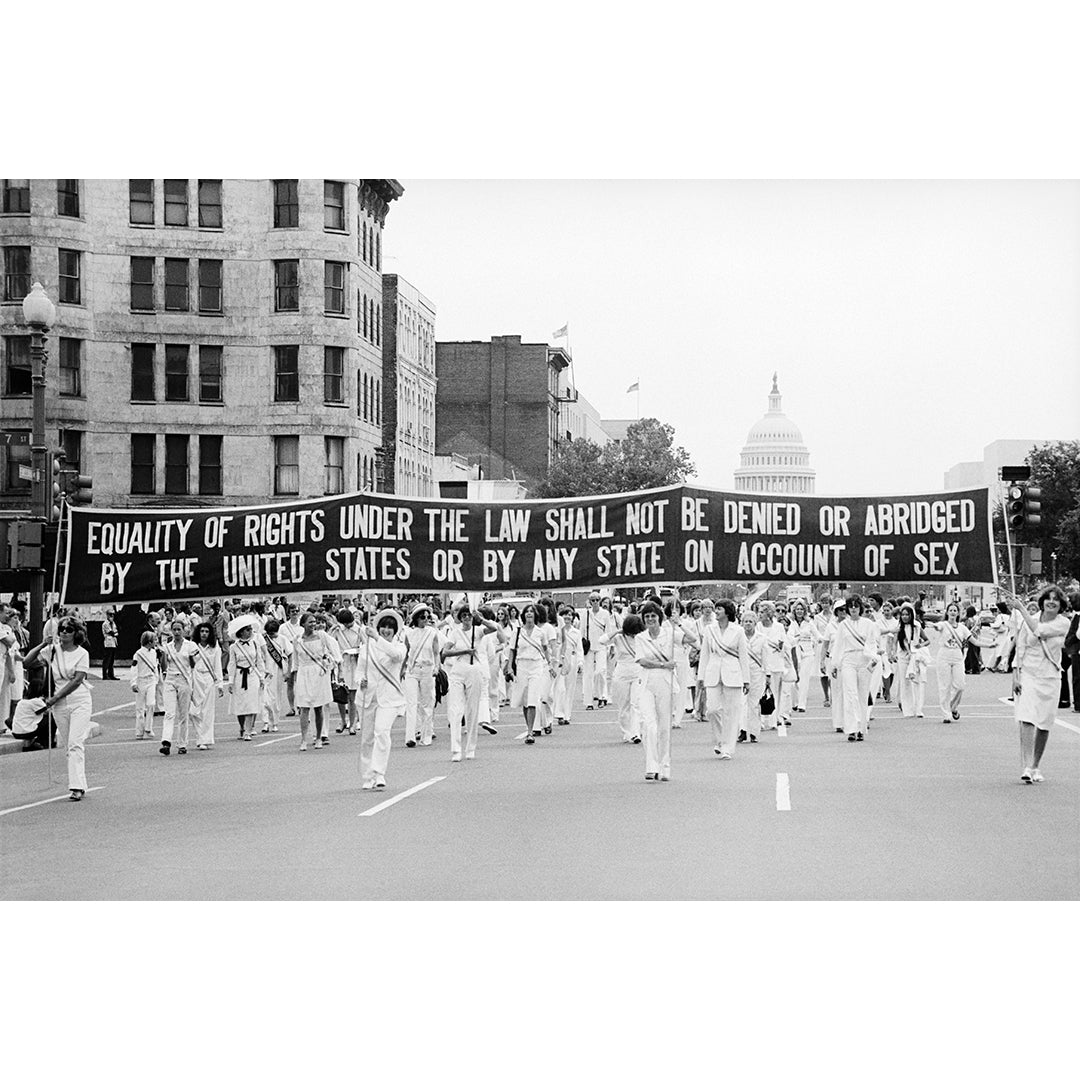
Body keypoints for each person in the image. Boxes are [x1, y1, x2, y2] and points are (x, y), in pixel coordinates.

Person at [22, 617, 98, 801]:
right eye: (62, 629)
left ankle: (77, 787)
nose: (64, 632)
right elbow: (27, 662)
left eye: (69, 629)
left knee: (75, 742)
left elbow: (78, 679)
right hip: (59, 704)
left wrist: (55, 697)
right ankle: (79, 781)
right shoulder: (52, 651)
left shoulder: (82, 653)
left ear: (76, 633)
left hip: (79, 699)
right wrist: (42, 644)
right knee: (68, 744)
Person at [1009, 585, 1071, 783]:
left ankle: (1036, 764)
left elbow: (1039, 631)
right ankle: (1027, 765)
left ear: (1061, 605)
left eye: (1056, 599)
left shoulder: (1063, 623)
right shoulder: (1029, 620)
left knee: (1044, 723)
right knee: (1026, 716)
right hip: (1029, 673)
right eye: (1048, 598)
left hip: (1051, 676)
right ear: (1042, 601)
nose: (1051, 602)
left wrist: (1021, 609)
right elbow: (1020, 648)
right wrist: (1016, 675)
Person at [634, 600, 685, 782]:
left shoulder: (670, 634)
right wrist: (664, 664)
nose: (650, 619)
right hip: (647, 682)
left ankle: (665, 767)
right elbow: (642, 661)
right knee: (649, 725)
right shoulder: (640, 638)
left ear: (660, 618)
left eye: (653, 616)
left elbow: (694, 640)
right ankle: (651, 766)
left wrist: (679, 622)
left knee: (664, 727)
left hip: (666, 683)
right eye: (647, 616)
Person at [441, 605, 500, 762]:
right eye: (464, 615)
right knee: (455, 709)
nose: (467, 618)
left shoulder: (479, 630)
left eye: (469, 615)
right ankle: (455, 749)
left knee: (472, 710)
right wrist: (465, 652)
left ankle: (470, 748)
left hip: (474, 670)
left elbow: (494, 628)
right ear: (460, 618)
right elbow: (445, 652)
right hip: (458, 670)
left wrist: (481, 619)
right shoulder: (455, 633)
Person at [358, 610, 407, 789]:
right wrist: (360, 681)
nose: (386, 630)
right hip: (368, 697)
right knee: (367, 738)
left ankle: (379, 773)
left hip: (390, 698)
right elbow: (360, 670)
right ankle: (366, 776)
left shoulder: (400, 646)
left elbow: (396, 656)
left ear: (395, 631)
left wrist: (377, 637)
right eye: (383, 627)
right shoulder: (366, 648)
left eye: (390, 628)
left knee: (382, 732)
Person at [698, 599, 750, 760]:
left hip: (733, 674)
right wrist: (701, 676)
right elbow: (704, 654)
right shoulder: (709, 630)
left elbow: (743, 656)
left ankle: (727, 747)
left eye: (719, 609)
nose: (716, 611)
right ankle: (720, 740)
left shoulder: (738, 631)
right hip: (713, 673)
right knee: (712, 710)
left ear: (727, 612)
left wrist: (746, 679)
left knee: (732, 712)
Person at [507, 603, 554, 744]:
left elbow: (546, 649)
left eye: (531, 612)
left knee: (533, 698)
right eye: (527, 612)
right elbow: (512, 650)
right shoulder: (517, 632)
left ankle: (530, 732)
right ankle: (529, 727)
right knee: (525, 700)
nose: (529, 614)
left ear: (535, 615)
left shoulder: (540, 632)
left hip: (536, 665)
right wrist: (509, 666)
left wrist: (550, 664)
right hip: (521, 665)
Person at [291, 612, 338, 749]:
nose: (313, 624)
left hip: (319, 673)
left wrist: (332, 663)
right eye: (310, 622)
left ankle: (318, 738)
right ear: (303, 624)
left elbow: (333, 649)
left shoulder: (322, 636)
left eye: (314, 622)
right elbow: (295, 660)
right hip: (304, 673)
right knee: (304, 707)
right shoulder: (297, 639)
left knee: (318, 707)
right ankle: (304, 739)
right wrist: (294, 675)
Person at [835, 596, 878, 742]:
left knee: (863, 694)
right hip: (848, 659)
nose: (853, 609)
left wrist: (873, 657)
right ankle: (851, 729)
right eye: (851, 606)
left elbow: (872, 643)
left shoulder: (868, 624)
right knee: (850, 693)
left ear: (860, 608)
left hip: (864, 659)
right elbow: (838, 646)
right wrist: (835, 664)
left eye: (856, 606)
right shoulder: (843, 625)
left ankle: (861, 728)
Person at [599, 613, 644, 743]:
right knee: (624, 706)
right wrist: (617, 631)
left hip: (637, 672)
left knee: (635, 704)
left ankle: (636, 733)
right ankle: (627, 732)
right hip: (622, 674)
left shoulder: (641, 638)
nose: (633, 635)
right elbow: (601, 640)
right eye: (631, 632)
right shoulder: (619, 638)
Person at [158, 619, 198, 755]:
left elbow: (193, 665)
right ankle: (166, 741)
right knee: (169, 713)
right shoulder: (167, 646)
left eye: (178, 629)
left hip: (184, 680)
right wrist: (162, 656)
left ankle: (182, 743)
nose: (176, 632)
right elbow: (164, 666)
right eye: (174, 629)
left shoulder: (190, 645)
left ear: (184, 630)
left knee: (183, 714)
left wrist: (192, 657)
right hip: (170, 679)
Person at [926, 601, 970, 723]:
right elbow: (938, 626)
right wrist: (934, 626)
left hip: (957, 656)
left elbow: (973, 640)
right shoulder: (943, 624)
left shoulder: (962, 627)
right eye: (950, 610)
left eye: (955, 610)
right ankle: (946, 714)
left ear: (958, 613)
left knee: (960, 685)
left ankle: (953, 707)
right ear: (947, 612)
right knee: (944, 686)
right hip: (944, 655)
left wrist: (990, 645)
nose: (952, 612)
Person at [403, 603, 440, 746]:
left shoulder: (432, 632)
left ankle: (427, 734)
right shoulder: (409, 633)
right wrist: (402, 669)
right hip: (412, 669)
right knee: (411, 703)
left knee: (427, 703)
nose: (426, 619)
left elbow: (436, 653)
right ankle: (410, 736)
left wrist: (437, 667)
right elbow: (405, 653)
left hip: (427, 669)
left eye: (427, 616)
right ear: (416, 618)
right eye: (423, 617)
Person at [758, 602, 796, 728]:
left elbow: (785, 644)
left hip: (776, 663)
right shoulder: (757, 626)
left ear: (769, 613)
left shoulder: (779, 627)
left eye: (762, 612)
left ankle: (774, 720)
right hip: (761, 664)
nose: (760, 614)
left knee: (775, 693)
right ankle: (762, 721)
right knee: (760, 692)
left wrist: (780, 646)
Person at [189, 621, 225, 750]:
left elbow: (218, 666)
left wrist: (220, 684)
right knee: (193, 711)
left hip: (209, 678)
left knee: (207, 711)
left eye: (207, 631)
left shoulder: (215, 647)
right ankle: (200, 735)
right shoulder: (192, 646)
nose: (204, 634)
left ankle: (204, 739)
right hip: (195, 678)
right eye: (202, 631)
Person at [329, 608, 364, 735]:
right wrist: (331, 631)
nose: (347, 626)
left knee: (352, 696)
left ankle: (353, 723)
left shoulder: (360, 630)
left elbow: (365, 646)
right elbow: (330, 644)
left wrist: (358, 651)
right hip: (341, 663)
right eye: (344, 624)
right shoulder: (338, 630)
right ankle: (343, 720)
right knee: (341, 694)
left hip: (354, 662)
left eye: (348, 623)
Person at [578, 592, 615, 710]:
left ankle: (601, 697)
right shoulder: (585, 614)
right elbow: (582, 631)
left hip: (601, 645)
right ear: (589, 602)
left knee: (600, 671)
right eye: (592, 600)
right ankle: (588, 702)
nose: (594, 602)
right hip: (588, 647)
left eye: (596, 600)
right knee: (588, 674)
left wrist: (611, 646)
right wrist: (580, 647)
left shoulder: (605, 614)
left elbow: (609, 632)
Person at [894, 602, 930, 718]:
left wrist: (920, 645)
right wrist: (892, 654)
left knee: (917, 682)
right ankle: (907, 710)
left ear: (911, 615)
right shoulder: (898, 627)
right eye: (903, 615)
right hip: (903, 657)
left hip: (915, 657)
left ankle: (918, 709)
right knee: (905, 684)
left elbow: (927, 640)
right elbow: (894, 642)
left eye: (907, 615)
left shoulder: (917, 626)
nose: (905, 617)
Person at [786, 599, 819, 713]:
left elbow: (818, 636)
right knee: (794, 677)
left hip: (808, 652)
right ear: (794, 610)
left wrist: (816, 641)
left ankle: (802, 704)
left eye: (801, 609)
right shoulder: (790, 622)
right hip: (795, 651)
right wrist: (797, 638)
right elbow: (789, 637)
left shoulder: (809, 622)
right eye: (797, 609)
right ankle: (794, 702)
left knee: (804, 678)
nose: (799, 611)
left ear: (805, 610)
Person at [261, 618, 292, 733]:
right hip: (265, 672)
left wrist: (288, 671)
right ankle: (265, 722)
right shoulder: (263, 640)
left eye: (273, 633)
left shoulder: (283, 639)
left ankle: (274, 722)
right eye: (269, 633)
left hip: (278, 672)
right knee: (264, 699)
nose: (272, 635)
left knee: (276, 699)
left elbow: (290, 654)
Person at [739, 609, 765, 742]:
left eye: (750, 621)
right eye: (745, 621)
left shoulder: (761, 638)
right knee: (742, 703)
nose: (748, 624)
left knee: (754, 703)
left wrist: (768, 675)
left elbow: (766, 658)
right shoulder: (738, 636)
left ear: (755, 623)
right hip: (741, 674)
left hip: (757, 674)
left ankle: (754, 732)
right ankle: (742, 731)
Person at [129, 631, 160, 739]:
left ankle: (148, 728)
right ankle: (139, 731)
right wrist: (133, 683)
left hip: (151, 680)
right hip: (141, 681)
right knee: (140, 707)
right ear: (149, 641)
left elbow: (155, 666)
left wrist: (156, 678)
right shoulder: (138, 654)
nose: (156, 642)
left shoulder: (154, 652)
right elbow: (134, 668)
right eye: (154, 640)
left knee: (151, 704)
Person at [101, 609, 119, 679]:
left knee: (111, 660)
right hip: (108, 643)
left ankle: (111, 674)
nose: (112, 616)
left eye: (113, 614)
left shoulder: (113, 623)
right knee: (107, 660)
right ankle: (105, 675)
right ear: (107, 615)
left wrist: (115, 633)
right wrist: (114, 633)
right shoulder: (105, 624)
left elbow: (116, 632)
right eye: (110, 614)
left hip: (113, 642)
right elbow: (111, 632)